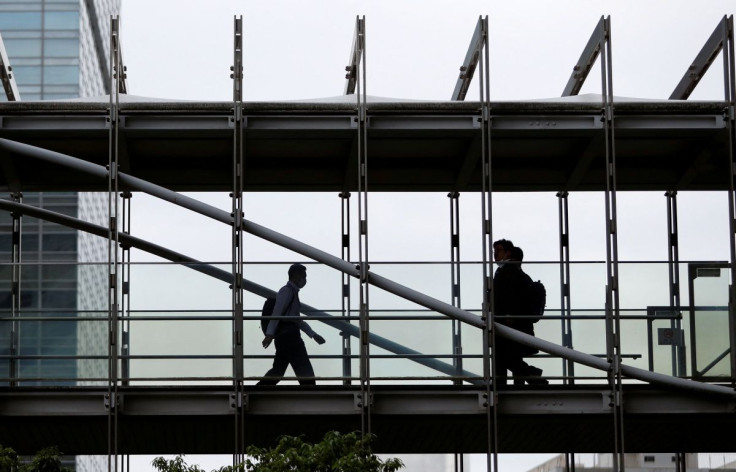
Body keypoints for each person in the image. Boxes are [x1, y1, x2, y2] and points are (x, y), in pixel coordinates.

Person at [258, 263, 325, 385]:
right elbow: (277, 313)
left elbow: (296, 319)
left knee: (278, 370)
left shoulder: (292, 292)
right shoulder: (286, 291)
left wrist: (313, 335)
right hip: (290, 337)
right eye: (304, 276)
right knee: (306, 373)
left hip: (285, 337)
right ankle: (313, 398)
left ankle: (257, 391)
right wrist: (269, 334)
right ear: (296, 276)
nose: (305, 279)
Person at [492, 239, 547, 386]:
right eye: (494, 250)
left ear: (508, 252)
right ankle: (525, 378)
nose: (495, 254)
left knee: (503, 356)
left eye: (499, 250)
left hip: (509, 324)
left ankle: (529, 374)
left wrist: (504, 316)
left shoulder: (507, 272)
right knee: (511, 356)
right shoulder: (516, 273)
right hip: (516, 324)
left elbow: (506, 298)